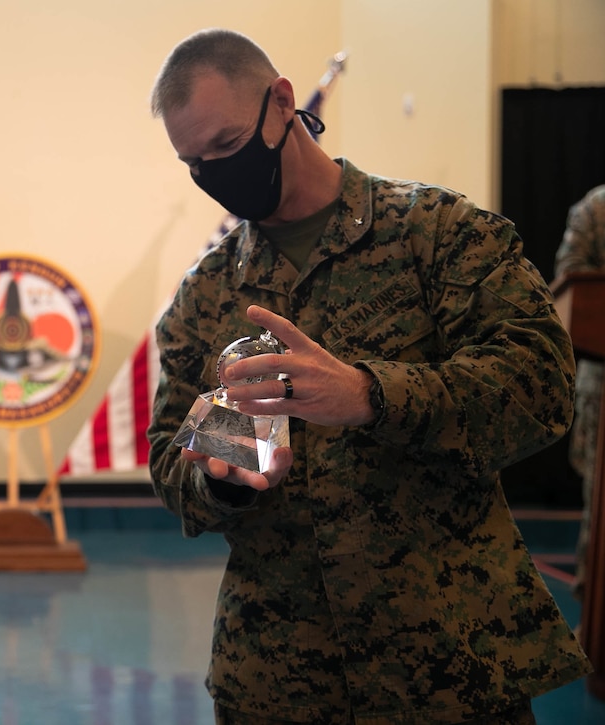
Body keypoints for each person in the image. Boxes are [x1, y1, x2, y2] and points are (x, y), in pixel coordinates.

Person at [146, 29, 590, 724]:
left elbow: (541, 382)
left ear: (282, 103)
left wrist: (371, 394)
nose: (215, 174)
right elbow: (172, 459)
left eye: (227, 148)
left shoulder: (437, 234)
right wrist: (221, 474)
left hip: (450, 665)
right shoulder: (204, 295)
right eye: (194, 163)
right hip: (279, 676)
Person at [554, 184, 605, 602]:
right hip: (602, 388)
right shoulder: (597, 207)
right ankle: (594, 618)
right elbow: (570, 276)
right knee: (601, 511)